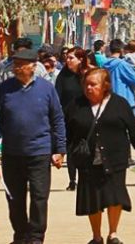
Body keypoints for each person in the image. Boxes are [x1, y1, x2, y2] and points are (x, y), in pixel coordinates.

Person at [0, 49, 66, 244]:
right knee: (15, 199)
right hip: (12, 153)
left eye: (21, 64)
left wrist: (60, 149)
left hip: (39, 152)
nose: (17, 68)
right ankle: (20, 235)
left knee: (40, 197)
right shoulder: (4, 89)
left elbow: (57, 120)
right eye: (15, 64)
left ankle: (37, 237)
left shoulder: (47, 89)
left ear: (33, 66)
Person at [65, 68, 135, 244]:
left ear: (105, 86)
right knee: (92, 198)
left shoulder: (119, 104)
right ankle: (96, 236)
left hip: (115, 158)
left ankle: (113, 233)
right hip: (87, 160)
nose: (89, 88)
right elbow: (66, 131)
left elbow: (134, 129)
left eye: (93, 84)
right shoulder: (76, 105)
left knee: (115, 195)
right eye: (86, 84)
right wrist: (58, 151)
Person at [57, 47, 89, 191]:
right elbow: (57, 96)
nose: (67, 60)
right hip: (67, 117)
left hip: (85, 116)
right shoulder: (63, 76)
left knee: (85, 148)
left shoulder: (88, 74)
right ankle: (72, 180)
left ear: (80, 59)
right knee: (70, 148)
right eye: (67, 58)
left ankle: (85, 177)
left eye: (71, 58)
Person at [101, 40, 135, 113]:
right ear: (121, 50)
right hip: (125, 100)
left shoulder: (104, 65)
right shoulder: (122, 64)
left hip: (109, 101)